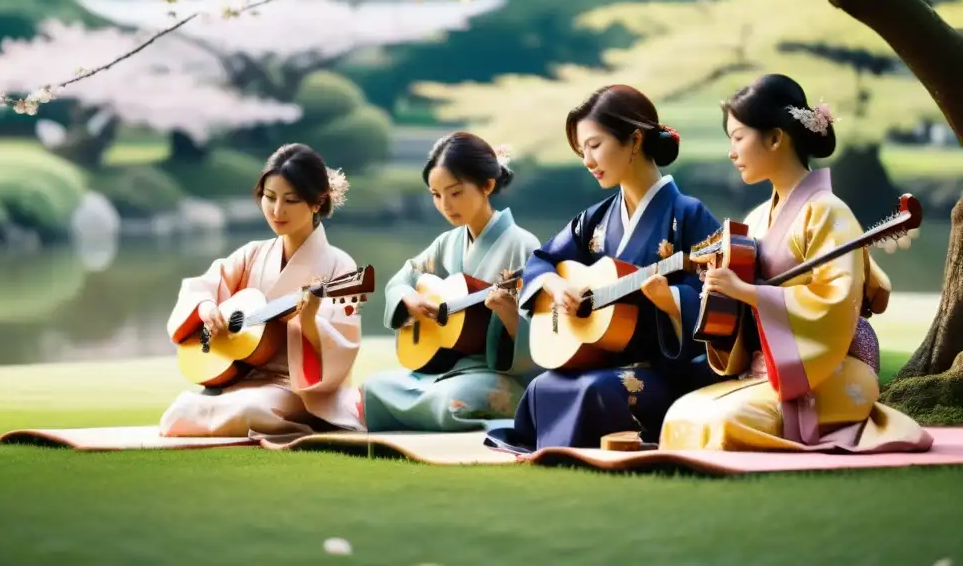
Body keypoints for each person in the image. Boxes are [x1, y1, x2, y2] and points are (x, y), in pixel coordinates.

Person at [659, 74, 932, 452]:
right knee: (682, 414)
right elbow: (741, 312)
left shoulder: (828, 213)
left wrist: (748, 292)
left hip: (824, 371)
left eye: (738, 138)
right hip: (767, 368)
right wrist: (722, 296)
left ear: (774, 138)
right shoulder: (754, 220)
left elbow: (835, 303)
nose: (731, 152)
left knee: (721, 422)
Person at [484, 85, 722, 454]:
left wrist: (672, 299)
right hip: (599, 359)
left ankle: (565, 452)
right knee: (544, 386)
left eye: (594, 145)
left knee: (593, 389)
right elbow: (540, 260)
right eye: (582, 151)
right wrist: (554, 286)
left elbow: (722, 301)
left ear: (635, 141)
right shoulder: (593, 220)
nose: (587, 159)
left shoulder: (688, 215)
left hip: (666, 372)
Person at [159, 143, 365, 443]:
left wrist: (308, 320)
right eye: (270, 198)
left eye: (291, 200)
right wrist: (207, 309)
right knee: (177, 414)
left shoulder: (339, 265)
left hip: (296, 387)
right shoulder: (253, 254)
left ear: (317, 203)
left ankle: (293, 424)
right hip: (240, 378)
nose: (277, 211)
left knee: (248, 408)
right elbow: (202, 287)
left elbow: (344, 341)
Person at [360, 132, 542, 431]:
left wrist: (508, 312)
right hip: (446, 367)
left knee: (454, 400)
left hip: (497, 374)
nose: (445, 204)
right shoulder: (448, 242)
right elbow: (403, 278)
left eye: (455, 192)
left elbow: (537, 336)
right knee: (375, 386)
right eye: (436, 194)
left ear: (487, 185)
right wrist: (409, 298)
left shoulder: (521, 244)